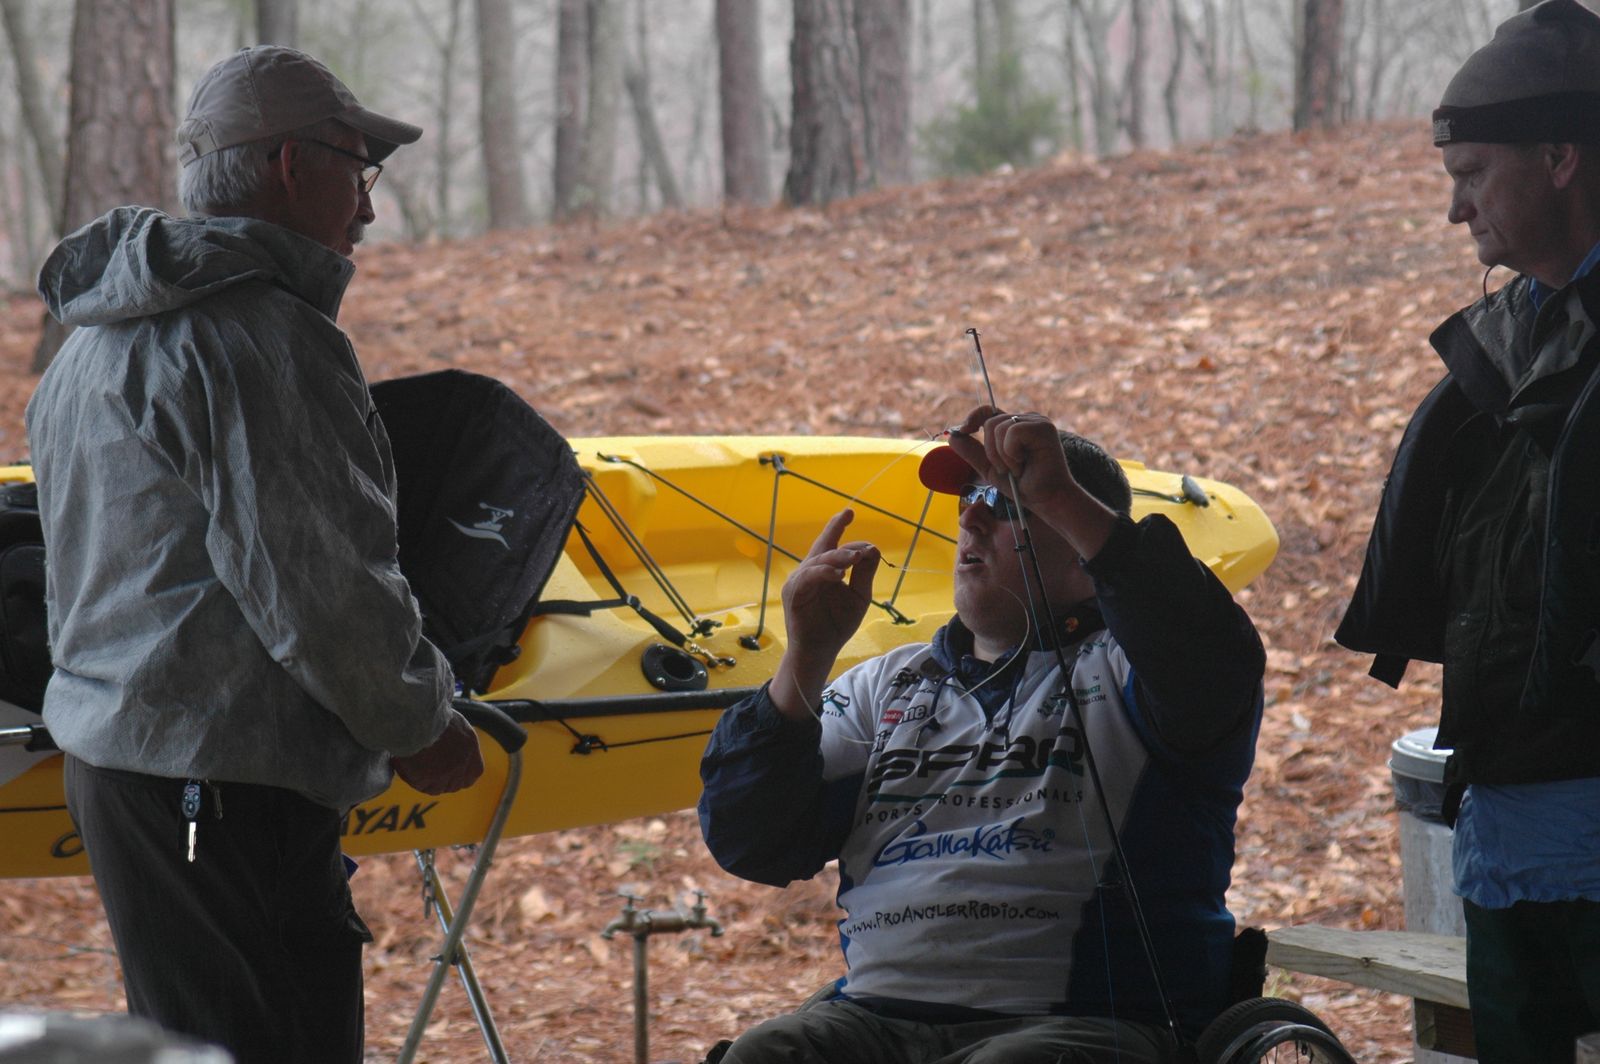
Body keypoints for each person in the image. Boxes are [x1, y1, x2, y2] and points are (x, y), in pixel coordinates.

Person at [25, 46, 484, 1064]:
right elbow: (320, 585)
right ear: (287, 164)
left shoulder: (90, 343)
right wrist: (422, 723)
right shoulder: (260, 339)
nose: (367, 209)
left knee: (197, 1045)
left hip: (128, 773)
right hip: (214, 788)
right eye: (356, 172)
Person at [698, 407, 1266, 1063]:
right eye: (969, 500)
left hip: (1094, 1023)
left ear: (1081, 547)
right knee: (767, 1053)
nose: (970, 519)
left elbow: (1209, 652)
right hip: (877, 1024)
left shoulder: (1135, 667)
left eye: (1001, 502)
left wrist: (1058, 496)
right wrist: (804, 658)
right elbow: (753, 841)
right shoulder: (883, 684)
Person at [1335, 2, 1600, 1059]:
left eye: (1472, 174)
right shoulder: (1511, 343)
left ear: (1561, 157)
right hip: (1513, 803)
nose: (1456, 212)